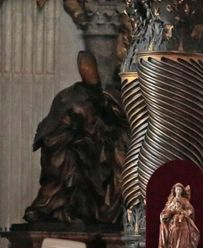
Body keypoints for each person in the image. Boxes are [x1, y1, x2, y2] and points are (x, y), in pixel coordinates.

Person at [24, 51, 127, 224]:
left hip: (83, 146)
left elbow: (102, 126)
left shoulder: (101, 98)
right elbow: (76, 125)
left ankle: (78, 211)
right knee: (62, 174)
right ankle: (48, 208)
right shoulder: (71, 97)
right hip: (63, 145)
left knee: (102, 166)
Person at [157, 183, 200, 248]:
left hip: (183, 220)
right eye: (177, 189)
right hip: (173, 220)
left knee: (185, 230)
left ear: (182, 191)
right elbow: (166, 210)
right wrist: (170, 211)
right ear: (174, 190)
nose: (178, 191)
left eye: (180, 189)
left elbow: (190, 210)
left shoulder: (185, 200)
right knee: (174, 230)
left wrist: (183, 212)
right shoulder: (171, 200)